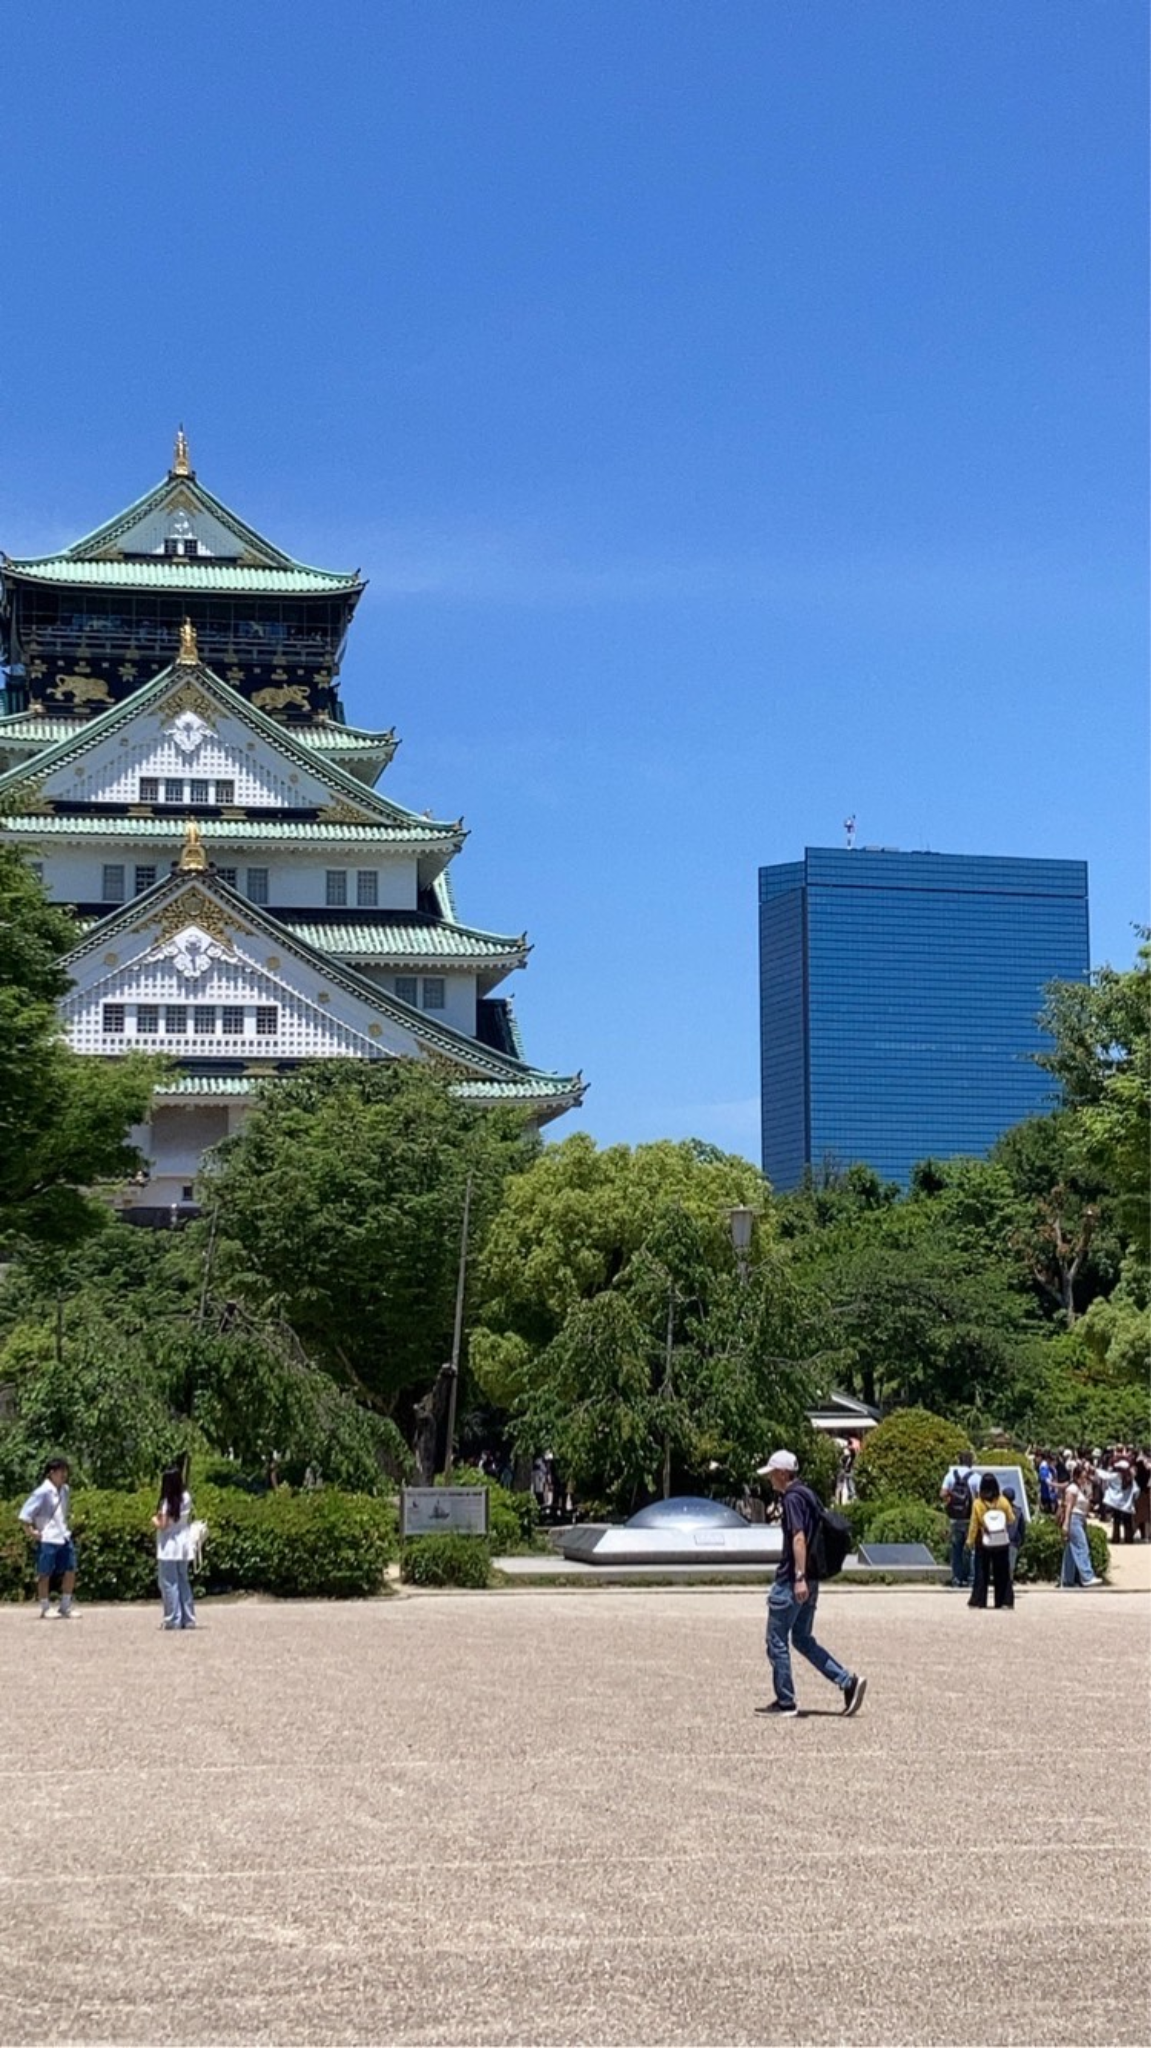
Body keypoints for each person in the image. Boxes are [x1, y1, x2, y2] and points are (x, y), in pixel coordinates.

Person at [755, 1449, 866, 1718]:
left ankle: (786, 1701)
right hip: (812, 1577)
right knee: (803, 1639)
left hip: (793, 1579)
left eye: (772, 1473)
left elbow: (798, 1538)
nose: (770, 1478)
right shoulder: (808, 1493)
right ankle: (847, 1681)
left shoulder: (792, 1498)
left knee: (776, 1639)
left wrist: (799, 1577)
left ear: (782, 1473)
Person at [18, 1457, 79, 1619]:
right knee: (45, 1572)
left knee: (70, 1569)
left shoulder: (65, 1490)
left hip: (63, 1535)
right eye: (61, 1471)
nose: (64, 1475)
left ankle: (65, 1605)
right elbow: (25, 1515)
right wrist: (31, 1531)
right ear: (51, 1473)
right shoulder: (42, 1492)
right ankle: (45, 1607)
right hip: (48, 1536)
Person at [153, 1461, 197, 1631]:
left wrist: (154, 1521)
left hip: (169, 1546)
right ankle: (188, 1617)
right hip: (184, 1543)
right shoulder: (186, 1497)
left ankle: (173, 1618)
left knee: (169, 1583)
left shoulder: (166, 1502)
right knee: (183, 1581)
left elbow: (163, 1524)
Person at [967, 1471, 1015, 1610]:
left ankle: (978, 1601)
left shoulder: (978, 1504)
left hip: (984, 1541)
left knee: (981, 1572)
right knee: (1002, 1573)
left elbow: (974, 1524)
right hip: (1000, 1541)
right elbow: (1011, 1519)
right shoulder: (1003, 1502)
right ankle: (1005, 1601)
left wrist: (970, 1541)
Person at [940, 1450, 976, 1589]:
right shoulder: (975, 1478)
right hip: (970, 1518)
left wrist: (951, 1497)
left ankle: (957, 1579)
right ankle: (972, 1579)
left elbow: (942, 1493)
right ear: (971, 1462)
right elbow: (980, 1498)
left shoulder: (950, 1475)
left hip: (955, 1518)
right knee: (971, 1550)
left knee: (956, 1549)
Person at [1059, 1462, 1098, 1588]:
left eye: (1085, 1477)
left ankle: (1067, 1579)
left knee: (1071, 1550)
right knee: (1082, 1547)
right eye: (1082, 1477)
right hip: (1074, 1519)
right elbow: (1068, 1507)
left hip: (1080, 1519)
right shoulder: (1072, 1489)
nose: (1084, 1480)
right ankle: (1087, 1576)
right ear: (1076, 1477)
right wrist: (1066, 1524)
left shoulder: (1081, 1489)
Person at [1102, 1461, 1136, 1544]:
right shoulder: (1130, 1478)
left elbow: (1105, 1477)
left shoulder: (1115, 1476)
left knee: (1116, 1520)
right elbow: (1136, 1490)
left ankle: (1116, 1538)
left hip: (1116, 1503)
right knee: (1127, 1521)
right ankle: (1129, 1539)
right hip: (1127, 1503)